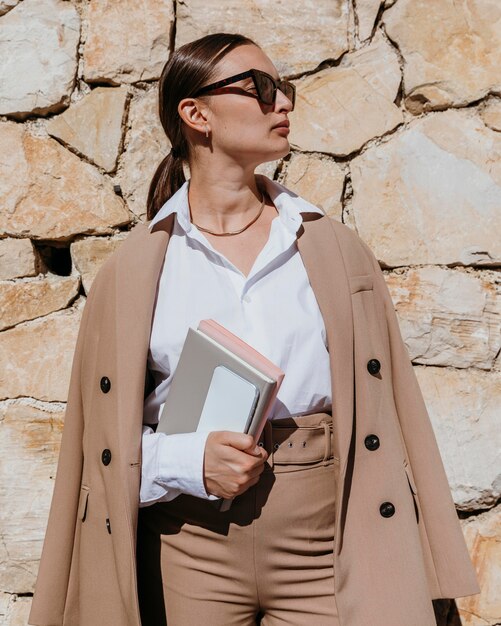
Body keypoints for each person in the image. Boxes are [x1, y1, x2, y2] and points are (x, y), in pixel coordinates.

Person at [29, 32, 480, 626]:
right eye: (262, 89)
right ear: (197, 115)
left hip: (331, 543)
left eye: (284, 89)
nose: (284, 103)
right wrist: (188, 462)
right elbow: (102, 451)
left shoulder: (335, 250)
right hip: (189, 547)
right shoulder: (133, 270)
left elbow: (389, 416)